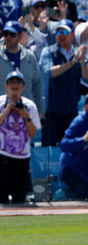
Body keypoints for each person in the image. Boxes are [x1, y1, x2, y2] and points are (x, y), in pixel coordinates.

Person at [39, 19, 88, 147]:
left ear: (72, 34)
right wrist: (71, 63)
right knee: (49, 151)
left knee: (71, 150)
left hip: (71, 112)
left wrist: (83, 62)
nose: (61, 35)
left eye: (65, 32)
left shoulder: (79, 53)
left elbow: (87, 79)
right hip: (52, 112)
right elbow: (48, 72)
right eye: (58, 31)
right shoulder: (48, 52)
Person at [0, 71, 41, 204]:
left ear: (23, 86)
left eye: (18, 82)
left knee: (19, 199)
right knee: (1, 199)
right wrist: (6, 111)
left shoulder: (30, 106)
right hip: (2, 155)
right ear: (6, 86)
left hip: (22, 157)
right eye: (12, 82)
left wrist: (26, 117)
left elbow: (32, 133)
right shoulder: (0, 102)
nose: (15, 86)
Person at [0, 21, 44, 116]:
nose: (8, 37)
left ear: (20, 36)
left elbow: (37, 85)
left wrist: (40, 111)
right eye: (5, 34)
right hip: (2, 115)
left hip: (25, 114)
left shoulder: (29, 57)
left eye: (12, 34)